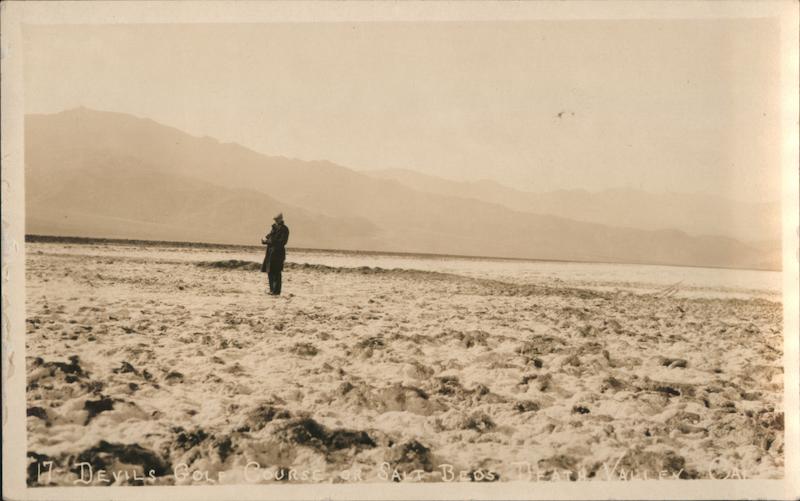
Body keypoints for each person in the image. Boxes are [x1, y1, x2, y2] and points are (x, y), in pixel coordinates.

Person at [261, 213, 290, 295]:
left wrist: (269, 241)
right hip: (270, 253)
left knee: (276, 272)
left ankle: (276, 291)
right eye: (275, 220)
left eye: (277, 219)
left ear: (281, 219)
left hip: (278, 253)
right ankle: (272, 290)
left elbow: (283, 242)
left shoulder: (284, 229)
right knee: (270, 271)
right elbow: (268, 236)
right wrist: (264, 240)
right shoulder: (274, 228)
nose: (276, 221)